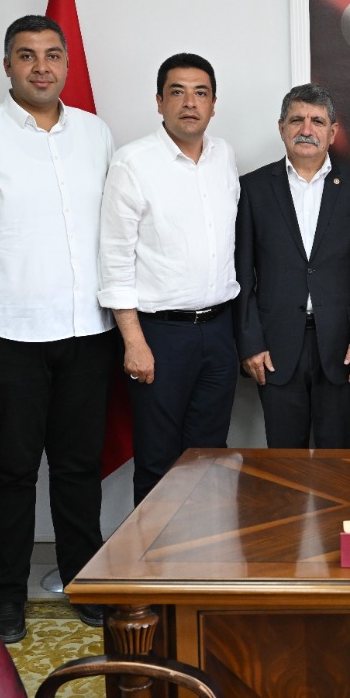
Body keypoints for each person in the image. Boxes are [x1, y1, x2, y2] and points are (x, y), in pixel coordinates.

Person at [0, 15, 118, 642]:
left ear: (66, 62)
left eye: (52, 54)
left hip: (88, 332)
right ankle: (7, 598)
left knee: (78, 468)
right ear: (7, 65)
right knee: (12, 471)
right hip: (7, 336)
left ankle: (83, 582)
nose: (41, 67)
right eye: (26, 55)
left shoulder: (95, 132)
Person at [100, 53, 240, 500]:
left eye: (200, 93)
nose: (189, 103)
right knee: (159, 460)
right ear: (159, 102)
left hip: (219, 331)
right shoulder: (132, 163)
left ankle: (202, 546)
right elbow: (115, 259)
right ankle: (155, 548)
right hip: (159, 335)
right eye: (177, 92)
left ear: (214, 104)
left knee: (209, 456)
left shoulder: (224, 156)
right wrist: (134, 342)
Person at [235, 84, 350, 449]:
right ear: (282, 127)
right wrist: (250, 343)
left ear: (333, 132)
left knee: (339, 464)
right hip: (275, 347)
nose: (306, 129)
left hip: (342, 346)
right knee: (284, 464)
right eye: (297, 120)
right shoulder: (252, 188)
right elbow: (242, 273)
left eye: (317, 121)